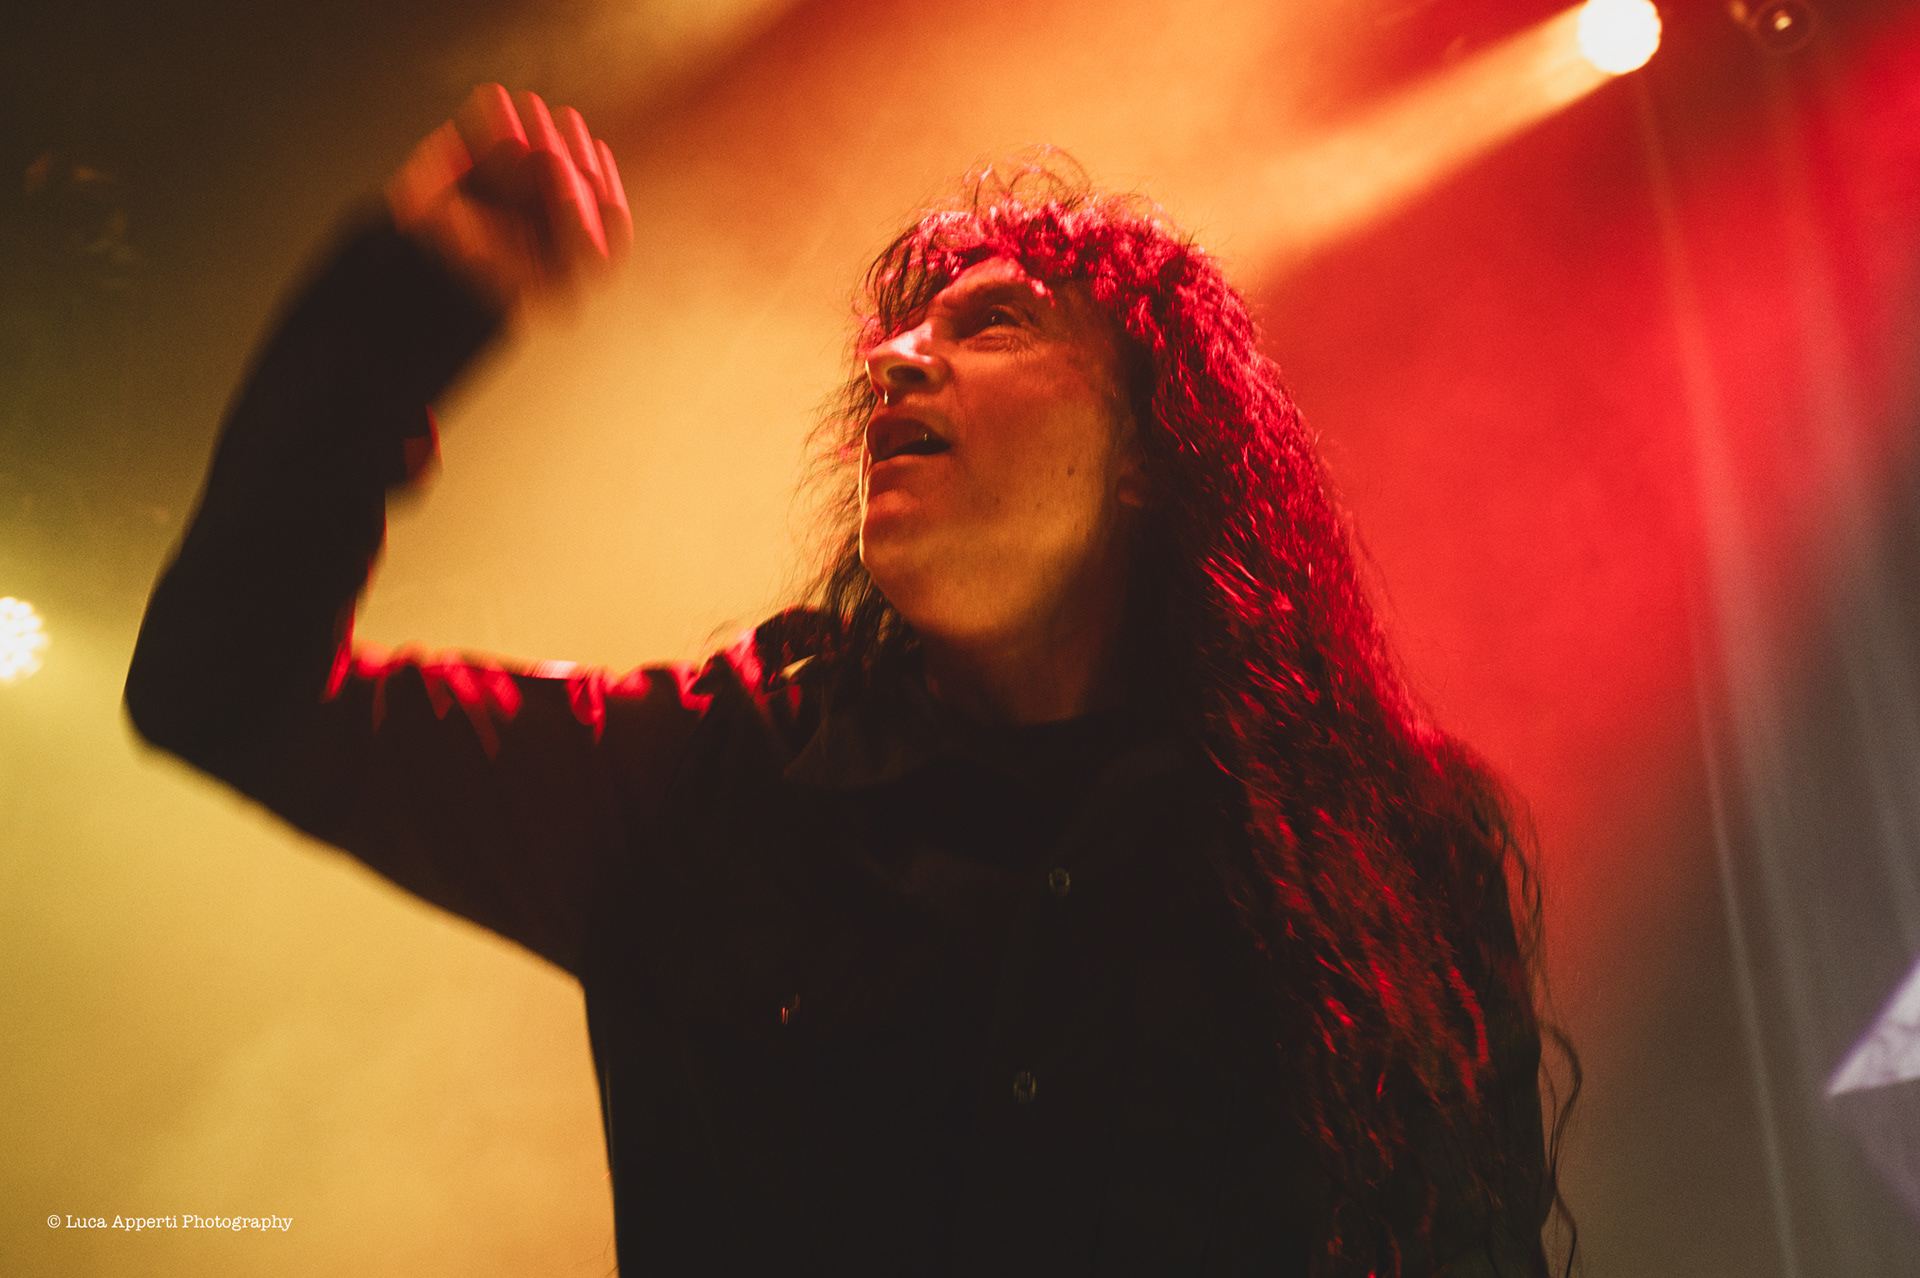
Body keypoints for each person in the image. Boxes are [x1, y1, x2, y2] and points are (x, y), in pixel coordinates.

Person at [127, 84, 1571, 1276]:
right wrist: (396, 320)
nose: (895, 358)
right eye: (897, 333)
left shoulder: (1385, 850)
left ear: (1152, 450)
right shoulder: (712, 780)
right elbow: (225, 687)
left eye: (989, 324)